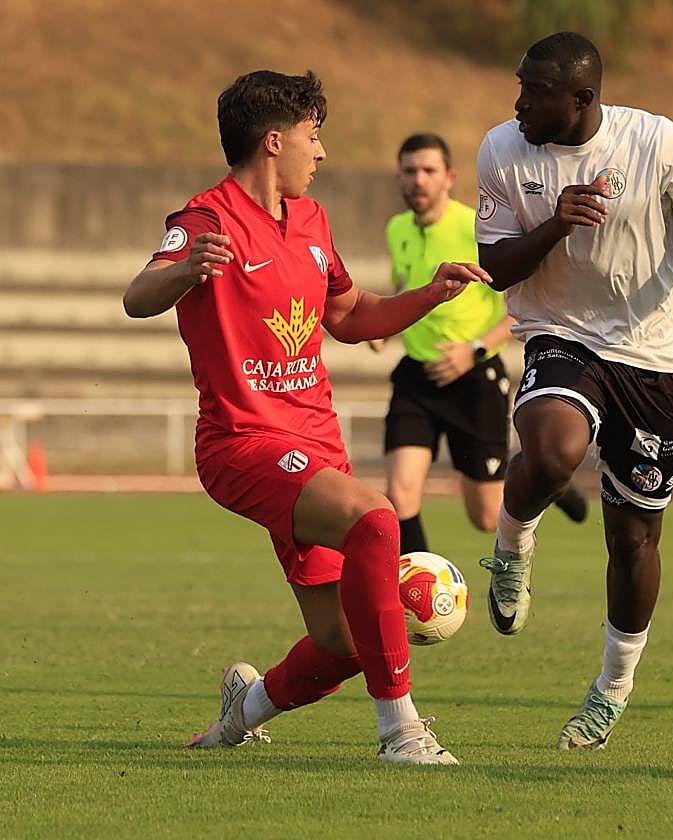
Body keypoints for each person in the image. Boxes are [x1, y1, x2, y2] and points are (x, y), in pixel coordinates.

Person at [122, 70, 490, 763]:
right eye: (312, 137)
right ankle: (401, 733)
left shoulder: (313, 222)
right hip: (244, 443)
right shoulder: (205, 222)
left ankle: (242, 710)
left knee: (347, 644)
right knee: (378, 518)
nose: (320, 153)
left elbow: (349, 316)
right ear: (273, 140)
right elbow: (138, 296)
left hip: (315, 445)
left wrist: (428, 295)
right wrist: (185, 273)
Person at [473, 31, 673, 749]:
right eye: (520, 87)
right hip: (559, 332)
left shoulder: (657, 143)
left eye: (536, 93)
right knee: (555, 451)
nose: (519, 103)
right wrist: (556, 224)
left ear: (582, 99)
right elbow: (495, 268)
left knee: (633, 538)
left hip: (652, 354)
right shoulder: (503, 149)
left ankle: (611, 690)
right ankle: (513, 542)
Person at [373, 132, 588, 554]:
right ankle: (418, 594)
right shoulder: (396, 228)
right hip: (416, 376)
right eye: (410, 171)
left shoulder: (475, 227)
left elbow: (520, 305)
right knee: (399, 497)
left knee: (486, 516)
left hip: (474, 377)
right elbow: (404, 281)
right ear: (399, 177)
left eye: (429, 171)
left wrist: (471, 350)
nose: (419, 180)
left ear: (449, 177)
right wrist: (385, 326)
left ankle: (547, 481)